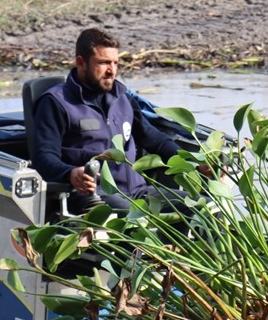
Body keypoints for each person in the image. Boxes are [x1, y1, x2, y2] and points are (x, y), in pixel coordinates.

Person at [30, 28, 191, 214]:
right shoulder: (55, 102)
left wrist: (193, 163)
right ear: (81, 63)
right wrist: (70, 173)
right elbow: (43, 158)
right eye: (104, 63)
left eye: (115, 63)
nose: (111, 71)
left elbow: (156, 141)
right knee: (135, 216)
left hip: (137, 193)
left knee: (203, 207)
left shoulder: (123, 98)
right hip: (92, 197)